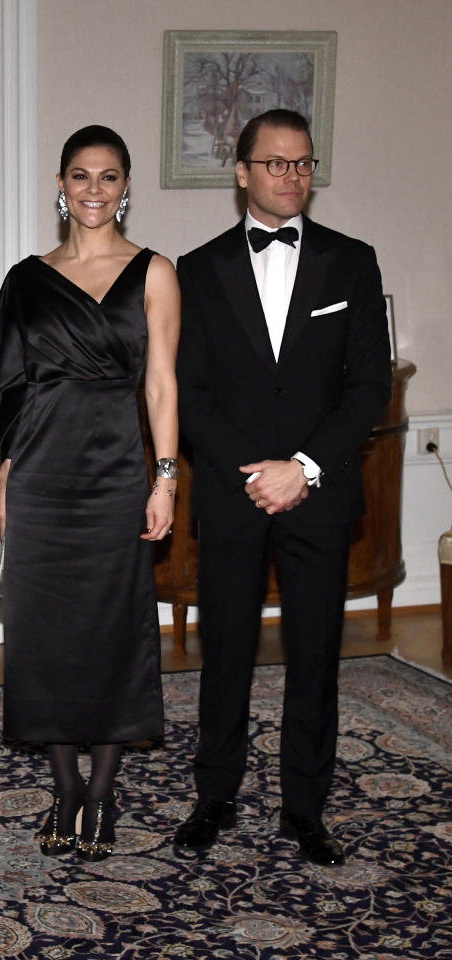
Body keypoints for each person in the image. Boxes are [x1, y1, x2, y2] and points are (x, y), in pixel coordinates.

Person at [173, 109, 392, 865]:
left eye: (301, 164)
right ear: (242, 173)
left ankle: (306, 808)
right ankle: (215, 796)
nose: (291, 176)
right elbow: (188, 390)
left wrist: (302, 469)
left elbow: (367, 389)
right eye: (275, 163)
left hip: (319, 493)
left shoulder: (352, 262)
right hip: (234, 495)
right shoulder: (195, 269)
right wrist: (256, 474)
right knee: (225, 650)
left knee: (316, 653)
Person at [0, 125, 179, 862]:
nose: (93, 190)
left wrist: (165, 477)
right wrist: (7, 469)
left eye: (108, 177)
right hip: (41, 471)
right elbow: (8, 383)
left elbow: (161, 384)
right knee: (45, 635)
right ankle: (65, 788)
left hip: (117, 474)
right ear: (60, 186)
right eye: (80, 175)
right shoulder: (27, 277)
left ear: (126, 187)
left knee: (110, 631)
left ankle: (101, 793)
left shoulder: (155, 272)